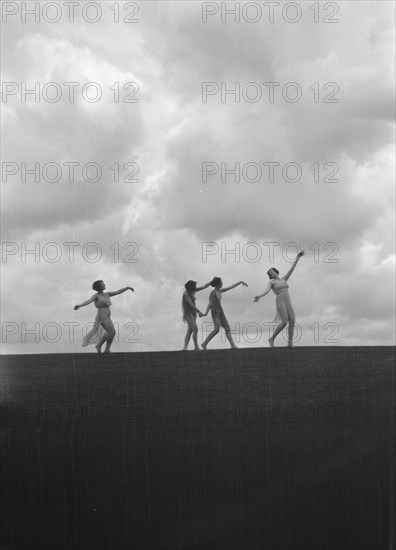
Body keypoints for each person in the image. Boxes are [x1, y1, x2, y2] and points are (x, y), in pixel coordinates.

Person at [254, 251, 304, 347]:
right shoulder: (271, 282)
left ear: (276, 271)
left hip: (288, 300)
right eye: (269, 273)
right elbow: (267, 290)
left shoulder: (284, 279)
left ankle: (290, 343)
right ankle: (272, 338)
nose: (271, 273)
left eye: (271, 271)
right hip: (280, 301)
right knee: (284, 321)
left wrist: (297, 258)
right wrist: (260, 296)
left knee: (292, 321)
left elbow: (292, 268)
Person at [74, 280, 134, 353]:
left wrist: (126, 288)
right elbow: (88, 301)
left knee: (113, 332)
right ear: (99, 286)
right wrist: (79, 305)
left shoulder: (107, 294)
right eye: (103, 284)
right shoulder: (96, 296)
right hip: (101, 314)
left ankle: (107, 349)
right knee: (111, 332)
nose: (104, 284)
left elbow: (117, 292)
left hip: (107, 314)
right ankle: (99, 345)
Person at [201, 277, 248, 350]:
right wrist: (205, 313)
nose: (222, 283)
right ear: (217, 284)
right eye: (221, 282)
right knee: (216, 329)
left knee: (227, 328)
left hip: (220, 311)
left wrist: (240, 282)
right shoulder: (212, 293)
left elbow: (231, 287)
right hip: (215, 312)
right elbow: (210, 304)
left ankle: (233, 346)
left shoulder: (220, 291)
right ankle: (204, 344)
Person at [182, 279, 212, 351]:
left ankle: (185, 347)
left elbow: (204, 286)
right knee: (195, 329)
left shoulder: (193, 291)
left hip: (193, 313)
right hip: (188, 314)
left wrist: (212, 280)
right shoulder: (186, 294)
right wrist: (199, 312)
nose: (195, 288)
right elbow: (191, 304)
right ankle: (196, 347)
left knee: (190, 330)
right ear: (190, 288)